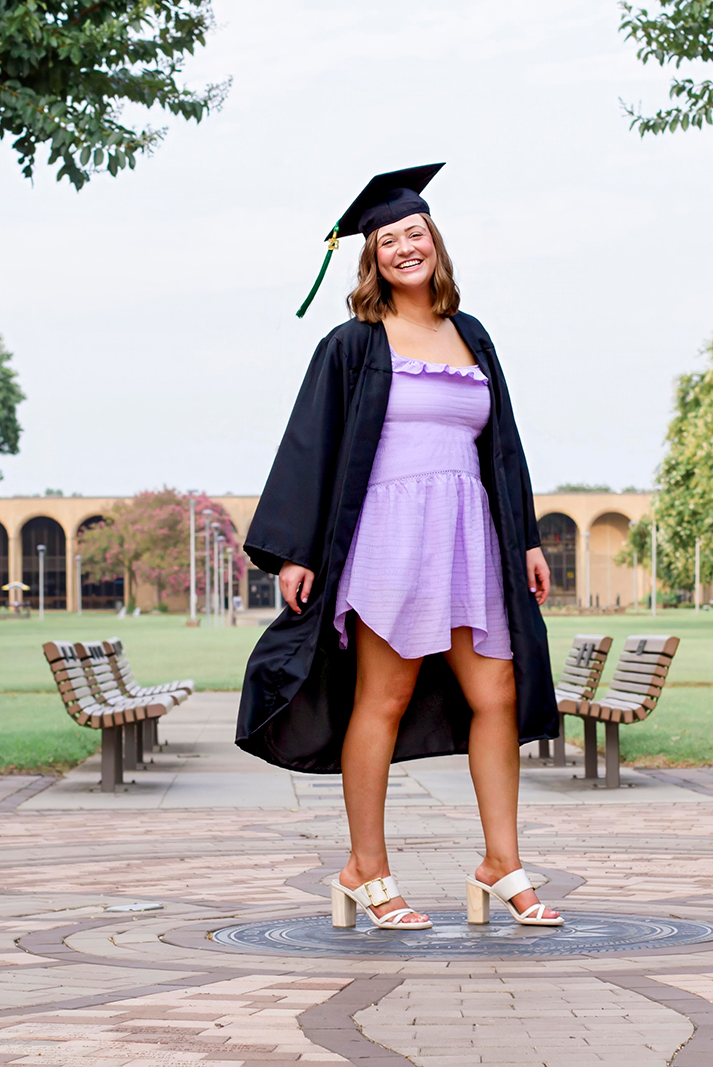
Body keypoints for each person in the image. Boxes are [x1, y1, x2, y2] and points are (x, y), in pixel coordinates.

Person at [237, 165, 561, 930]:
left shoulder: (471, 333)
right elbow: (310, 446)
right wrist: (295, 550)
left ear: (436, 244)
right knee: (382, 697)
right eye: (389, 240)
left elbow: (503, 444)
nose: (405, 247)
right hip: (389, 539)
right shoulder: (353, 344)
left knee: (498, 695)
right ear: (372, 258)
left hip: (469, 537)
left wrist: (528, 538)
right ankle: (364, 867)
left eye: (415, 233)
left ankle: (499, 860)